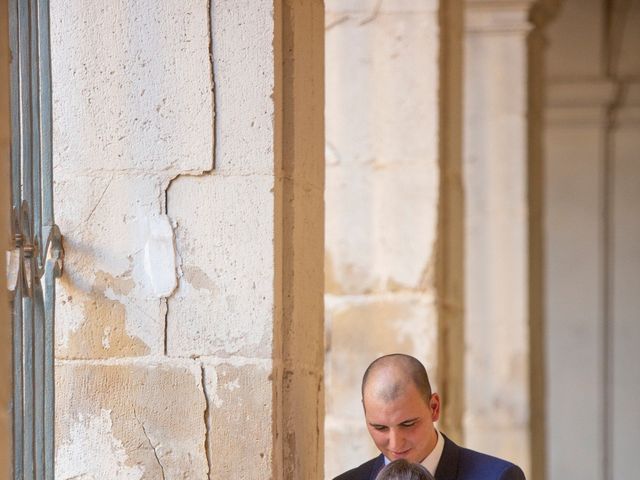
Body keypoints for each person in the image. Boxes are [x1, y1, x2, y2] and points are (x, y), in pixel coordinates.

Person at [333, 354, 525, 480]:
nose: (395, 444)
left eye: (408, 424)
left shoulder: (498, 476)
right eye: (380, 427)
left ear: (434, 407)